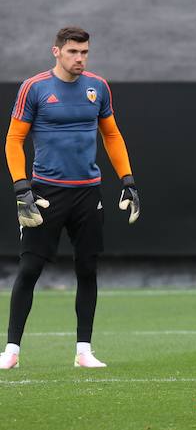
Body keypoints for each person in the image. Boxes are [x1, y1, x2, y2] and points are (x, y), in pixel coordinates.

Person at [0, 26, 140, 370]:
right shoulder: (34, 88)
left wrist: (128, 181)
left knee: (87, 269)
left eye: (84, 52)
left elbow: (112, 134)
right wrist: (22, 188)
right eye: (73, 52)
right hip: (46, 192)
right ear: (56, 52)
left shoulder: (98, 87)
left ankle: (84, 351)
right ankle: (11, 351)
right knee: (30, 268)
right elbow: (14, 140)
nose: (80, 58)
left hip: (87, 192)